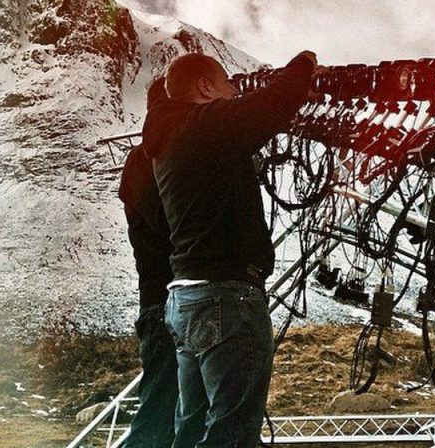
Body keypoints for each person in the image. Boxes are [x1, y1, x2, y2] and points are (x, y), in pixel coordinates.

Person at [141, 50, 317, 447]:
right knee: (233, 434)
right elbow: (274, 103)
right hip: (225, 297)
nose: (235, 91)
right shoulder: (201, 126)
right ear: (205, 87)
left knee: (191, 428)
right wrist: (305, 64)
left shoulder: (169, 137)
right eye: (227, 84)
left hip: (186, 299)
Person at [118, 77, 178, 448]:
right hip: (164, 304)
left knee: (169, 415)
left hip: (163, 303)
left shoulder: (145, 159)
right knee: (157, 419)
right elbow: (174, 225)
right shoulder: (145, 161)